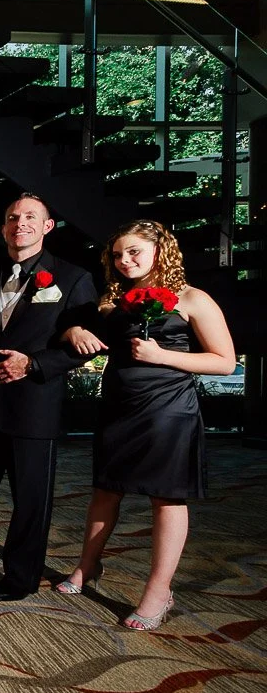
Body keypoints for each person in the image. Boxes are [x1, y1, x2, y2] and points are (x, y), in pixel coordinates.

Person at [56, 220, 235, 630]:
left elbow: (224, 361)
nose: (124, 261)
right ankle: (88, 566)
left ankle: (159, 590)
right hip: (119, 405)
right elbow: (83, 335)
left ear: (160, 251)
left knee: (166, 498)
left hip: (169, 409)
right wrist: (74, 328)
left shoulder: (192, 299)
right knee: (105, 489)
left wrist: (163, 356)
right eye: (118, 255)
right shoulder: (112, 303)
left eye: (134, 252)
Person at [0, 194, 98, 602]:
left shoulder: (72, 277)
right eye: (12, 217)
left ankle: (21, 576)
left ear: (47, 227)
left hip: (34, 405)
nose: (21, 223)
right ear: (3, 228)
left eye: (31, 217)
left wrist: (32, 364)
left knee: (31, 500)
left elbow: (84, 343)